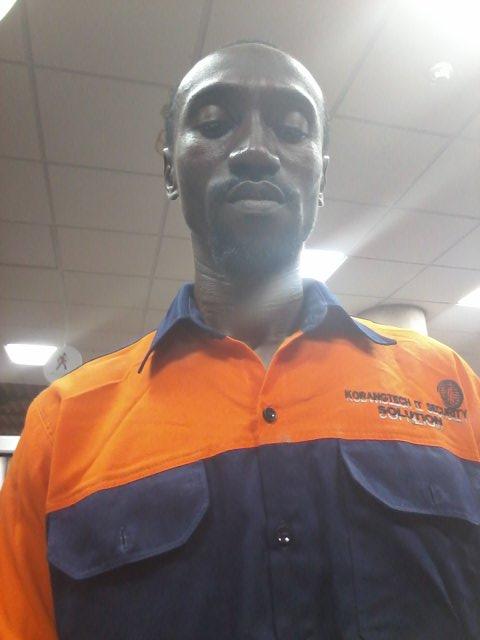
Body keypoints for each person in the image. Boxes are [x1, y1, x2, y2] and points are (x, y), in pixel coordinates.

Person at [1, 40, 479, 640]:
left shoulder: (451, 389)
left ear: (321, 177)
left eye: (293, 129)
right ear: (170, 169)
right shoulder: (63, 427)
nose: (255, 150)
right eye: (213, 123)